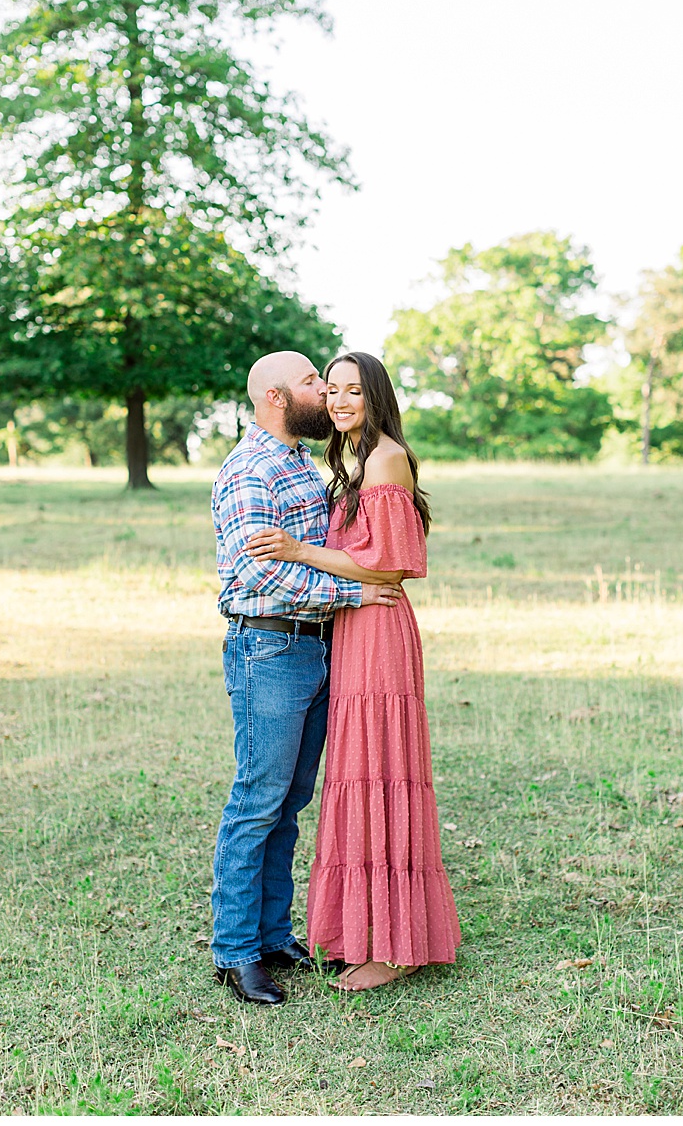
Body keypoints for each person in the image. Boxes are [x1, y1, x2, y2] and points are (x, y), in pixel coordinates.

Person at [243, 351, 460, 990]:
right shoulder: (351, 461)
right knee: (357, 774)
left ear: (376, 397)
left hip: (379, 625)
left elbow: (391, 566)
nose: (338, 402)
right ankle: (365, 931)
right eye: (330, 390)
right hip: (351, 625)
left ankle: (394, 949)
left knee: (382, 772)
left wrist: (299, 548)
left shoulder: (386, 457)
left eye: (352, 392)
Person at [205, 350, 405, 1006]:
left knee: (289, 805)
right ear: (274, 397)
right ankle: (235, 951)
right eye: (313, 382)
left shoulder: (301, 462)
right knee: (256, 801)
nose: (325, 392)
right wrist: (350, 595)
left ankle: (270, 934)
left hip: (317, 648)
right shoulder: (249, 471)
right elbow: (256, 571)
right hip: (269, 650)